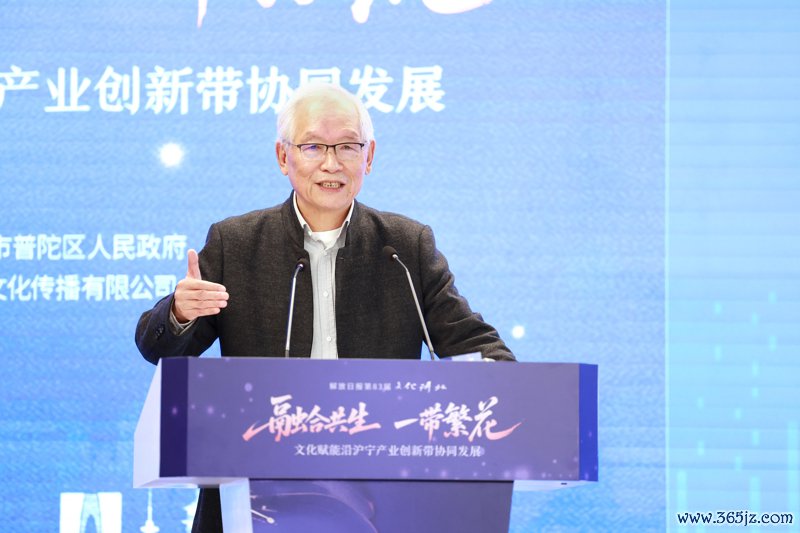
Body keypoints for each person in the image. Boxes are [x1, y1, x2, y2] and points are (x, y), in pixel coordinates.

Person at [135, 83, 514, 532]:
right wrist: (179, 313)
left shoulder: (404, 247)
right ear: (283, 156)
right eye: (313, 146)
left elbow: (475, 345)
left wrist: (509, 389)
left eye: (348, 146)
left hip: (379, 495)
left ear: (369, 156)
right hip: (255, 492)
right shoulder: (236, 243)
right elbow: (158, 349)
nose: (331, 163)